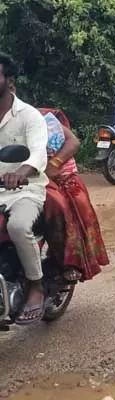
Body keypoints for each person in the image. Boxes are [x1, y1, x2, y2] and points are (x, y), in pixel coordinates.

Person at [0, 53, 49, 325]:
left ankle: (36, 286)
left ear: (9, 81)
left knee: (18, 227)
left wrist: (19, 172)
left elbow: (39, 153)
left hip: (25, 190)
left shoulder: (30, 116)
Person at [37, 108, 109, 282]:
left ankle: (68, 262)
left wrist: (54, 164)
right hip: (24, 180)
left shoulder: (39, 117)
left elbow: (73, 142)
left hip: (59, 177)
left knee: (66, 206)